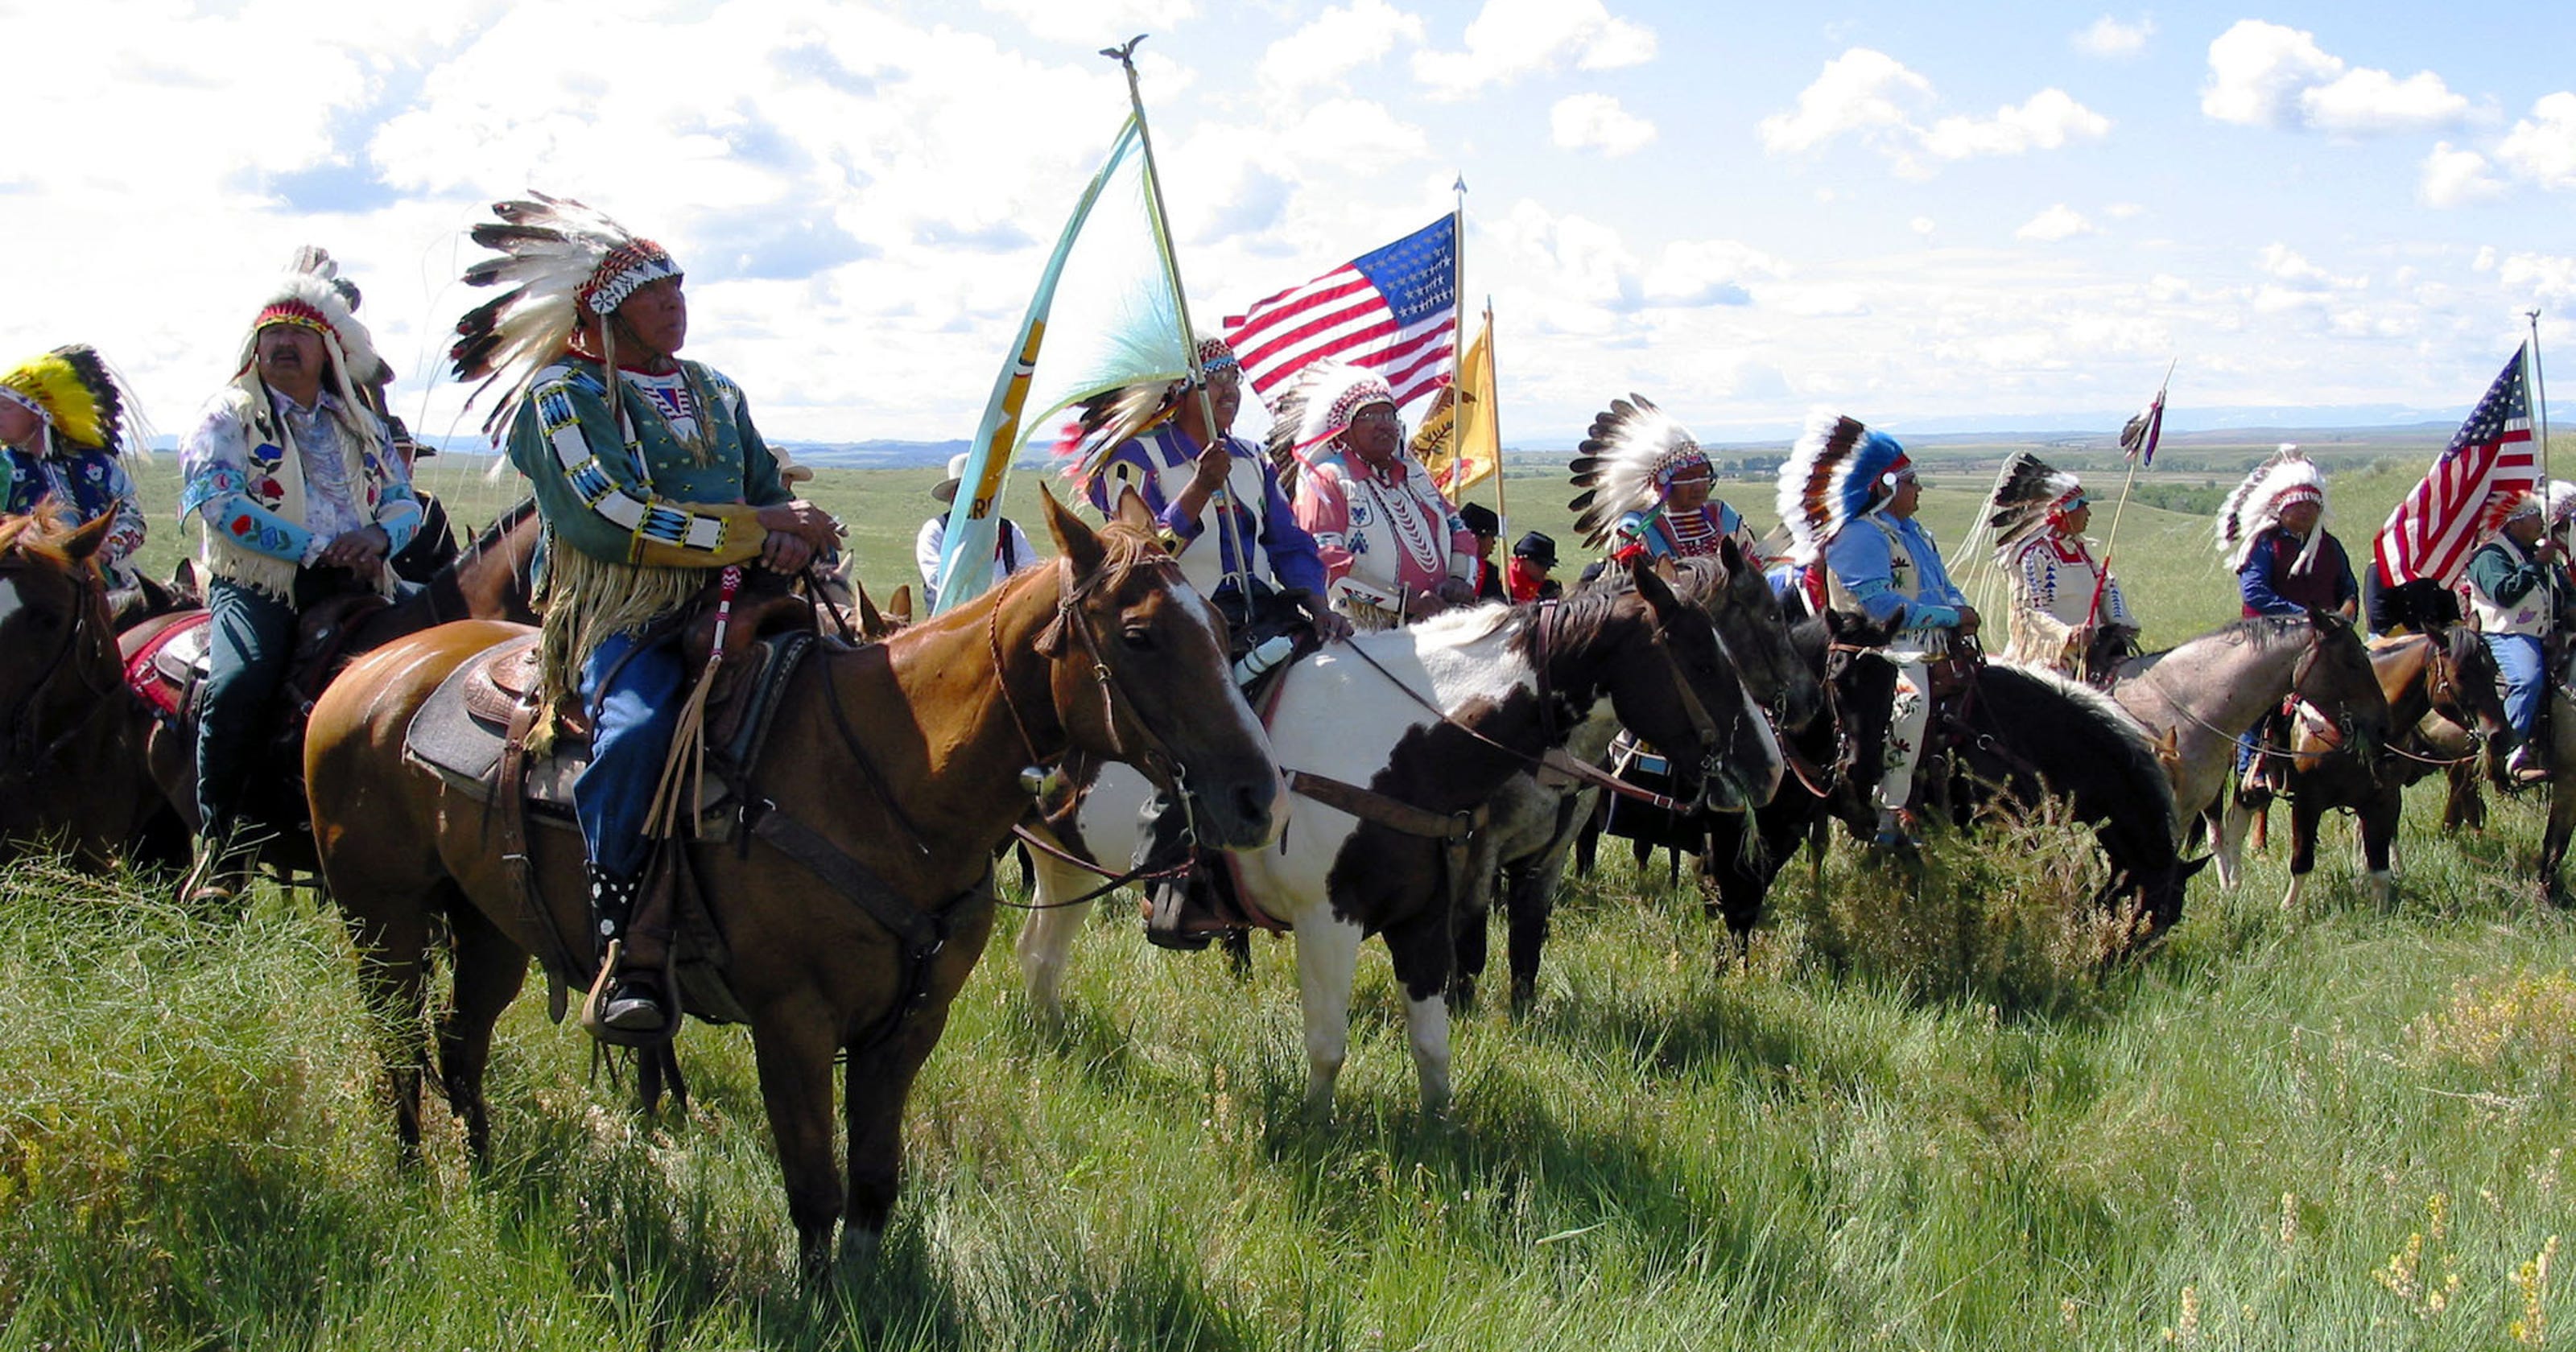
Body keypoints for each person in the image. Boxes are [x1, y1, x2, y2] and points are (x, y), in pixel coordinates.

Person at [451, 194, 842, 1033]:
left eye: (678, 290)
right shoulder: (561, 397)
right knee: (635, 731)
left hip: (740, 600)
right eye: (653, 295)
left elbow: (763, 488)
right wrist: (759, 527)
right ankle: (622, 938)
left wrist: (791, 538)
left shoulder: (715, 389)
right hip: (626, 611)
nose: (674, 306)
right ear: (603, 310)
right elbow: (610, 513)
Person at [177, 249, 423, 901]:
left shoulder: (360, 424)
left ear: (329, 351)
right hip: (260, 583)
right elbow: (220, 505)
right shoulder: (226, 415)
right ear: (255, 346)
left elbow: (402, 500)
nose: (284, 344)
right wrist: (315, 548)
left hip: (363, 582)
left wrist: (379, 537)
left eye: (300, 334)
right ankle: (222, 849)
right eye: (273, 333)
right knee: (240, 682)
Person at [1779, 412, 1975, 850]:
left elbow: (1943, 584)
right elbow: (1879, 606)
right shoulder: (1859, 536)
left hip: (1935, 643)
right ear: (1885, 486)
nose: (1919, 489)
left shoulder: (1914, 532)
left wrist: (1960, 608)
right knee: (1912, 702)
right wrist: (1950, 616)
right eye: (1911, 482)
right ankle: (1889, 812)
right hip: (1877, 648)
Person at [1274, 361, 1479, 630]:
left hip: (1436, 622)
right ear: (1345, 431)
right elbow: (1326, 561)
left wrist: (1459, 579)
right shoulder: (1328, 481)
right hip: (1363, 633)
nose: (1383, 425)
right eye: (1369, 417)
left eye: (1389, 415)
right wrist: (1404, 601)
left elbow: (1459, 530)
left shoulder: (1415, 476)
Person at [2218, 447, 2357, 793]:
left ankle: (2373, 756)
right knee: (2258, 698)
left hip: (2327, 637)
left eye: (2313, 504)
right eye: (2299, 505)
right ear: (2281, 507)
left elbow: (2348, 587)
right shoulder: (2263, 544)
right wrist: (2307, 619)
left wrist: (2346, 613)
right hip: (2270, 637)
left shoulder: (2329, 546)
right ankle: (2252, 768)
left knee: (2365, 685)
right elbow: (2255, 594)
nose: (2307, 510)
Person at [1, 344, 149, 596]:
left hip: (110, 587)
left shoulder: (98, 465)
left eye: (6, 408)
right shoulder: (4, 470)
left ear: (37, 413)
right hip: (29, 594)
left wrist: (108, 546)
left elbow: (132, 518)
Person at [1973, 451, 2137, 678]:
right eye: (2082, 507)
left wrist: (2119, 621)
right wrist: (2068, 635)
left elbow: (2107, 585)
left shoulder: (2080, 550)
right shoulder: (2035, 556)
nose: (2088, 513)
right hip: (2051, 658)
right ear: (2062, 513)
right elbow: (2031, 611)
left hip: (2094, 651)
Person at [1570, 393, 1761, 567]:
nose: (1699, 485)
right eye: (1687, 478)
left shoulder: (1722, 515)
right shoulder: (1638, 527)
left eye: (1704, 475)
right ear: (1660, 484)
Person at [2464, 493, 2563, 783]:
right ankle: (2509, 752)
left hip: (2545, 631)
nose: (2543, 522)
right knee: (2527, 679)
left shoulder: (2538, 551)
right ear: (2515, 521)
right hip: (2505, 633)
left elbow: (2564, 592)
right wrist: (2536, 565)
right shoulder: (2490, 556)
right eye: (2536, 516)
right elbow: (2504, 594)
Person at [918, 451, 1040, 595]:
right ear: (954, 495)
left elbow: (1030, 572)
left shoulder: (1009, 530)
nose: (980, 496)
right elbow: (936, 579)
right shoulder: (937, 530)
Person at [1458, 501, 1506, 600]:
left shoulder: (1489, 571)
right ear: (1478, 537)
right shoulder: (1446, 563)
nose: (1494, 543)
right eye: (1492, 536)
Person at [1506, 530, 1563, 603]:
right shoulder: (1503, 583)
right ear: (1522, 560)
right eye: (1541, 564)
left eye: (1548, 565)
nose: (1546, 569)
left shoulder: (1550, 586)